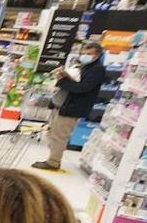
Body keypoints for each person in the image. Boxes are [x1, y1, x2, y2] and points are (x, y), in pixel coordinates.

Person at [33, 41, 107, 171]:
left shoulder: (97, 70)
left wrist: (62, 81)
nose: (85, 55)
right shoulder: (83, 65)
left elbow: (83, 88)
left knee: (60, 134)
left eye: (89, 54)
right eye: (84, 53)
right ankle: (52, 158)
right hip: (62, 104)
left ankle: (53, 162)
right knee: (53, 132)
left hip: (72, 107)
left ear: (97, 55)